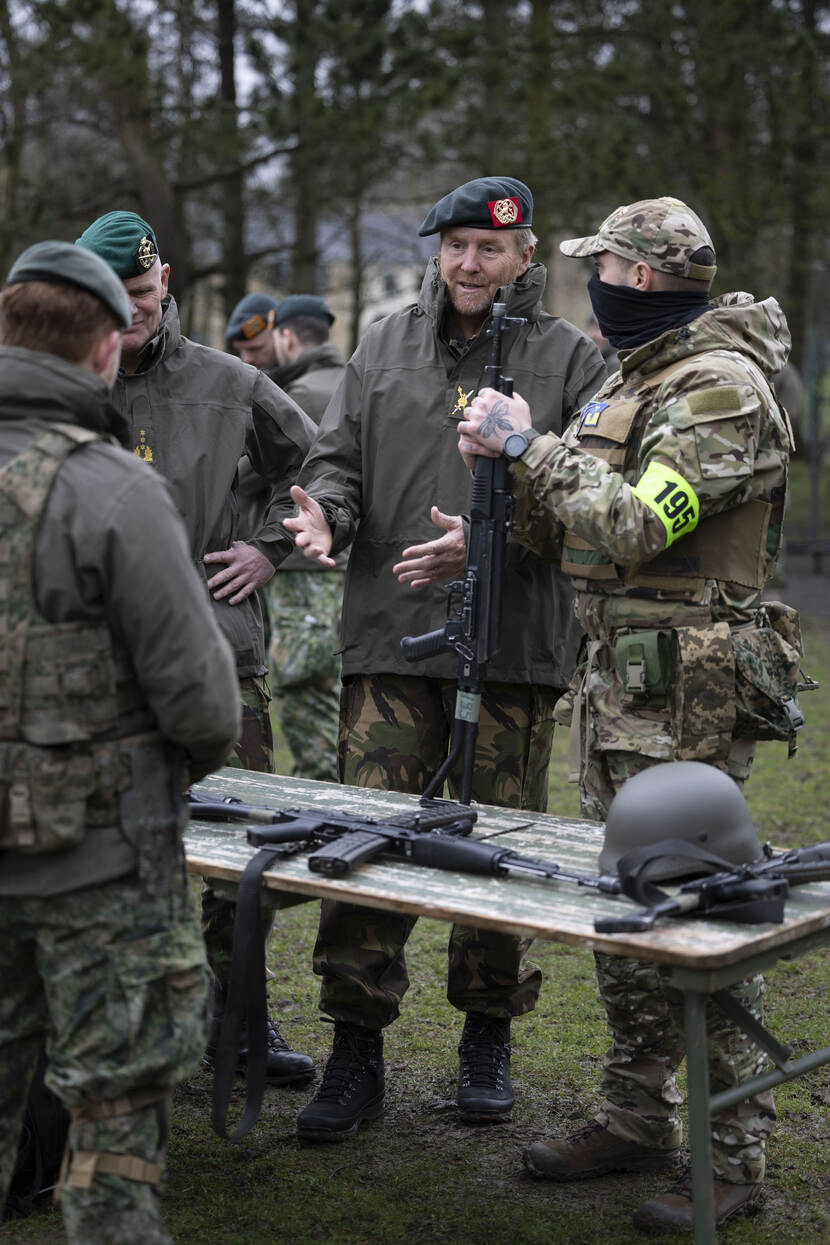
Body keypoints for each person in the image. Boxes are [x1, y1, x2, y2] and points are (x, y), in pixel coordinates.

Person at [457, 196, 795, 1230]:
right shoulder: (632, 377)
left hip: (688, 694)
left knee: (698, 917)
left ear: (639, 275)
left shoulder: (719, 389)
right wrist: (493, 499)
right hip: (616, 686)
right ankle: (635, 1115)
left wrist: (525, 446)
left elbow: (638, 524)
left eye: (599, 267)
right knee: (625, 912)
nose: (592, 284)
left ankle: (732, 1155)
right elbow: (576, 526)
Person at [284, 175, 606, 1140]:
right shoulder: (383, 342)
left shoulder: (570, 359)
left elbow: (595, 493)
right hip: (391, 633)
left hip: (511, 644)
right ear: (437, 252)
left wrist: (492, 539)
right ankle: (355, 1042)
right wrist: (326, 512)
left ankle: (487, 1033)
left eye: (490, 248)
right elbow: (337, 458)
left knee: (494, 846)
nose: (470, 264)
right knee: (368, 834)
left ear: (524, 254)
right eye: (456, 246)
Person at [0, 241, 241, 1243]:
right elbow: (204, 704)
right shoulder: (114, 490)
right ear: (107, 350)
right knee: (116, 1121)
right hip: (103, 865)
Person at [76, 212, 318, 1087]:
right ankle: (127, 1022)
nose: (131, 310)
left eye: (143, 292)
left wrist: (269, 547)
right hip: (98, 664)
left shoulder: (231, 382)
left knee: (239, 843)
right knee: (107, 845)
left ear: (166, 281)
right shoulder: (63, 383)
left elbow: (318, 466)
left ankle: (239, 1017)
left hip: (217, 651)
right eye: (114, 296)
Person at [226, 292, 347, 782]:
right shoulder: (348, 382)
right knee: (327, 688)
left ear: (288, 337)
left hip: (301, 563)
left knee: (303, 688)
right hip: (337, 560)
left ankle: (327, 792)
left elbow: (242, 476)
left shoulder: (301, 395)